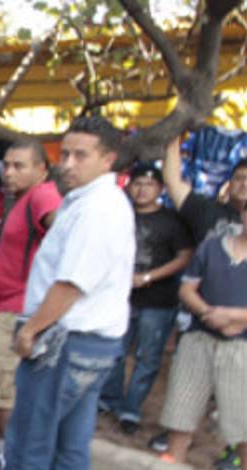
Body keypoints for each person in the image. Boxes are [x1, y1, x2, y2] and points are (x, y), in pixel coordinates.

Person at [0, 116, 134, 470]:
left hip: (66, 337)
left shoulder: (97, 209)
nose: (70, 163)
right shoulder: (93, 202)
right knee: (70, 440)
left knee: (29, 433)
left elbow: (70, 284)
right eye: (68, 152)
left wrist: (33, 330)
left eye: (83, 155)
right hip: (89, 339)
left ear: (108, 159)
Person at [0, 140, 62, 470]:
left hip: (18, 312)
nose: (9, 172)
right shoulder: (22, 200)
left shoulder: (42, 196)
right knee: (6, 393)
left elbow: (61, 225)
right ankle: (13, 456)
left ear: (41, 169)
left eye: (19, 166)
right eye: (6, 165)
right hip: (10, 308)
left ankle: (25, 469)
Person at [155, 193, 247, 470]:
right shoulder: (213, 247)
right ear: (245, 212)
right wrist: (210, 313)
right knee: (180, 410)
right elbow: (187, 289)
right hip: (199, 339)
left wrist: (234, 316)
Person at [97, 163, 193, 435]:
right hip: (119, 297)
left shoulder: (172, 221)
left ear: (161, 189)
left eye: (149, 185)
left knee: (148, 358)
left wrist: (148, 277)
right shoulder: (119, 213)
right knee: (114, 351)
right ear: (128, 186)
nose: (142, 189)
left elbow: (184, 257)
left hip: (159, 301)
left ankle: (131, 409)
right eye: (137, 183)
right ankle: (109, 400)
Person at [163, 138, 247, 244]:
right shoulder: (206, 210)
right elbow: (172, 183)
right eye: (239, 178)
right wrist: (173, 138)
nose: (245, 183)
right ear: (228, 184)